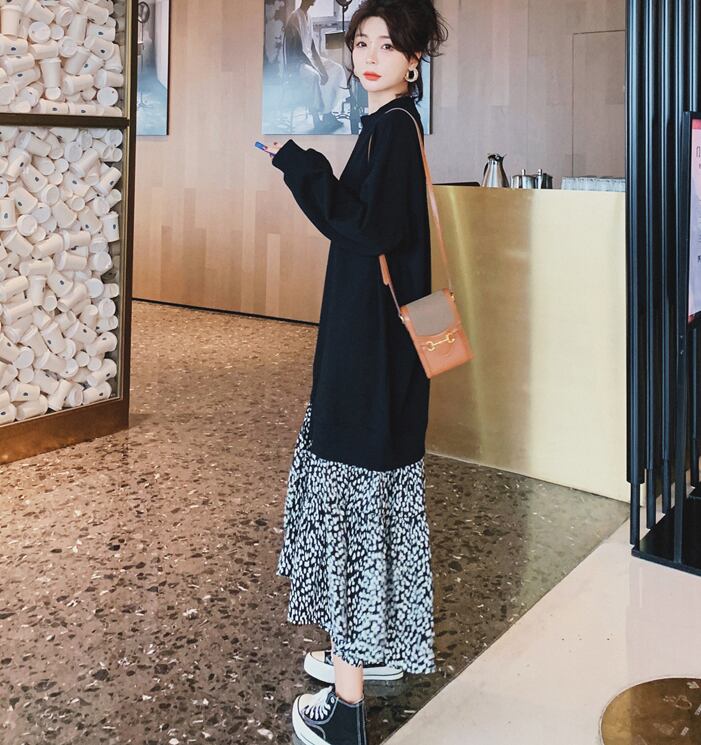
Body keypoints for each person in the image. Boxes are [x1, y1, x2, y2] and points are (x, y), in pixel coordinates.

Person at [264, 1, 448, 742]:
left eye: (388, 45)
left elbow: (364, 228)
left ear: (414, 59)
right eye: (362, 42)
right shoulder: (394, 126)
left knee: (353, 513)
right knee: (376, 506)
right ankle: (369, 650)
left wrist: (298, 163)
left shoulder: (392, 131)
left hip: (368, 355)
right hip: (386, 348)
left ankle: (345, 709)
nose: (370, 56)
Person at [284, 0, 348, 133]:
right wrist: (317, 69)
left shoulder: (309, 16)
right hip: (297, 63)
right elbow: (298, 50)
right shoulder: (294, 17)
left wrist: (322, 68)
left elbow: (312, 46)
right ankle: (316, 119)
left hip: (309, 58)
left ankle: (328, 113)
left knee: (336, 69)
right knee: (314, 76)